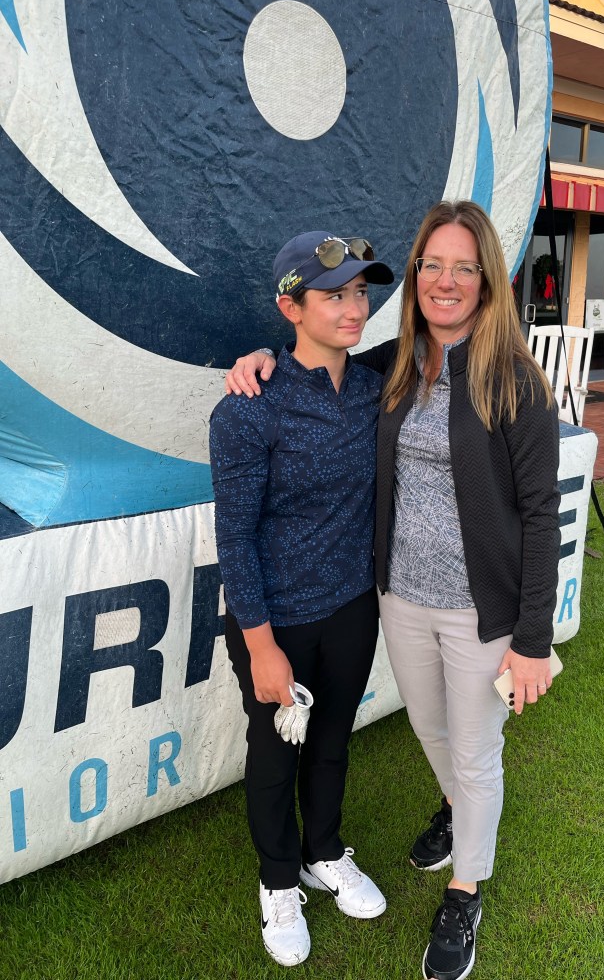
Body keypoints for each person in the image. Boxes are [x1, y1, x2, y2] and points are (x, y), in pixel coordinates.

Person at [225, 201, 561, 980]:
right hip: (397, 601)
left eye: (464, 267)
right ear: (416, 276)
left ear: (488, 280)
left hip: (473, 610)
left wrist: (533, 638)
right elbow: (315, 358)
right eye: (432, 265)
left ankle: (464, 890)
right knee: (429, 732)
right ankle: (445, 817)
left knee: (472, 751)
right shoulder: (396, 365)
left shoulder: (513, 381)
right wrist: (262, 356)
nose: (446, 280)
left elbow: (541, 514)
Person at [209, 231, 394, 967]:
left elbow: (446, 344)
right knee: (274, 754)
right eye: (334, 295)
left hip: (352, 606)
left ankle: (324, 852)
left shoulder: (376, 385)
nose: (355, 308)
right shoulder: (249, 407)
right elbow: (234, 537)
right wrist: (261, 646)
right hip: (276, 620)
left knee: (332, 742)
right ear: (291, 307)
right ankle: (279, 879)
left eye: (361, 292)